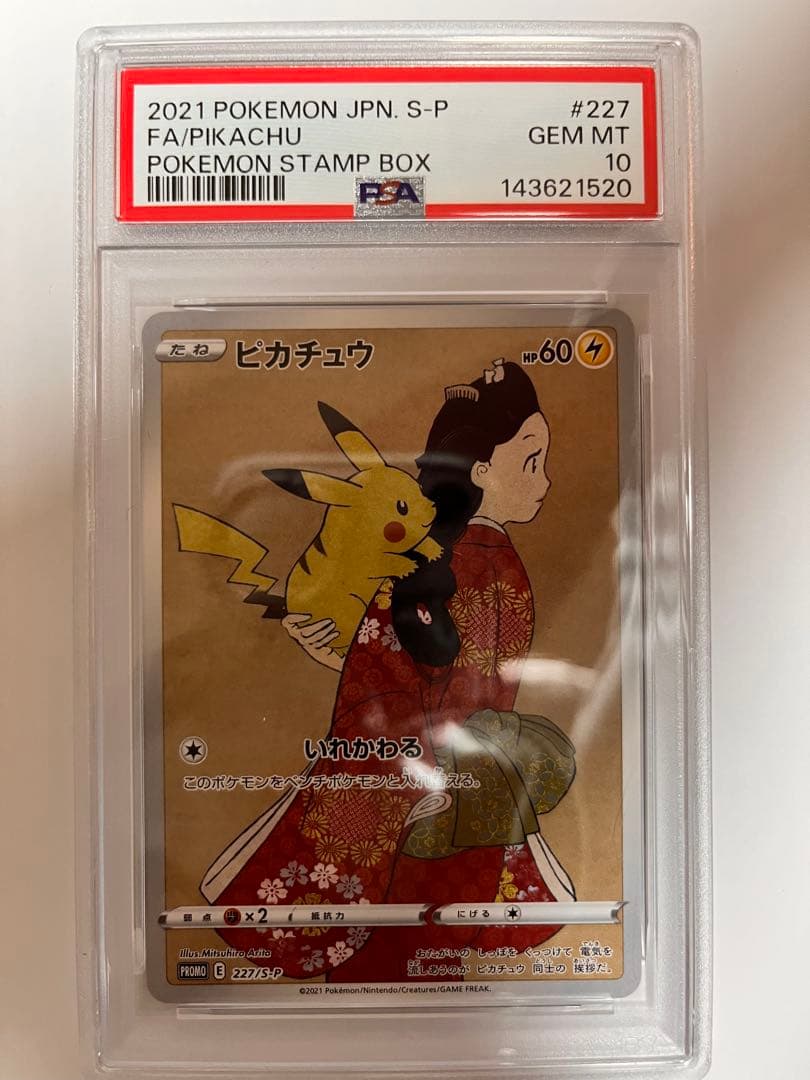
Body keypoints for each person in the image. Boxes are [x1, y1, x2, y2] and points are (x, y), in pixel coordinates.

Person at [202, 359, 576, 981]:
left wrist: (353, 658)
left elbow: (412, 674)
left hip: (416, 792)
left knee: (386, 962)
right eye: (531, 461)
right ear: (481, 470)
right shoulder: (489, 561)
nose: (544, 480)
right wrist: (345, 652)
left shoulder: (440, 563)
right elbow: (449, 675)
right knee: (426, 958)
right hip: (462, 787)